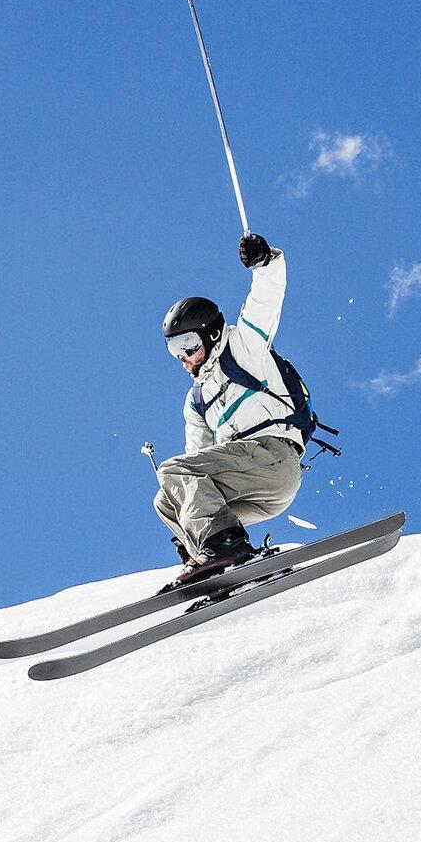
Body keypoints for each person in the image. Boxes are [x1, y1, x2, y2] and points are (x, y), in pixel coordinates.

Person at [155, 231, 304, 584]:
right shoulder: (197, 401)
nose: (183, 357)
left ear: (208, 334)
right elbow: (196, 464)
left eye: (188, 344)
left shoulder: (243, 348)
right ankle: (213, 563)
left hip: (273, 457)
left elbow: (266, 300)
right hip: (251, 489)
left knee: (173, 470)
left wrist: (265, 262)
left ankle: (225, 545)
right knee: (166, 498)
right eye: (174, 349)